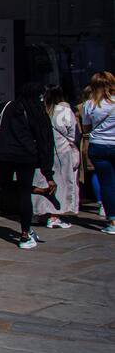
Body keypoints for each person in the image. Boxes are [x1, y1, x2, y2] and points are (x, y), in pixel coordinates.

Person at [0, 81, 55, 250]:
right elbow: (45, 143)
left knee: (8, 187)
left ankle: (26, 233)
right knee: (23, 193)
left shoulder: (8, 107)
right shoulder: (38, 112)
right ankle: (25, 235)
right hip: (25, 157)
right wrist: (48, 175)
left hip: (4, 156)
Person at [33, 85, 80, 229]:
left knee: (42, 181)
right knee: (60, 182)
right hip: (61, 152)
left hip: (41, 151)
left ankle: (41, 213)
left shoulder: (38, 110)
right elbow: (72, 133)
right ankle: (55, 216)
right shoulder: (64, 111)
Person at [79, 71, 115, 234]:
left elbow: (86, 128)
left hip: (98, 146)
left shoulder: (89, 104)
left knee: (106, 183)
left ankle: (112, 221)